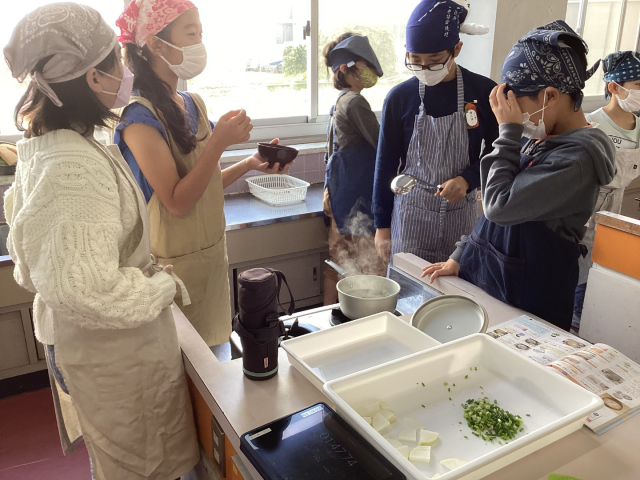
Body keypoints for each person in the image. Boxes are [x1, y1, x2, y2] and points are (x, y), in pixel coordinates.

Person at [3, 3, 198, 479]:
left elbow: (41, 265)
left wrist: (130, 271)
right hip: (115, 358)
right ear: (92, 77)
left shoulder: (50, 143)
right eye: (115, 60)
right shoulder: (72, 168)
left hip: (99, 349)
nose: (125, 70)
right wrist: (157, 288)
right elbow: (83, 289)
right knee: (144, 466)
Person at [114, 0, 289, 346]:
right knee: (185, 376)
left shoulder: (192, 103)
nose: (199, 43)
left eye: (201, 33)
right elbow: (178, 203)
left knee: (216, 369)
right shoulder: (138, 118)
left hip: (210, 262)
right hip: (172, 272)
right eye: (190, 33)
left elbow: (204, 187)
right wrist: (218, 144)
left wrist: (250, 163)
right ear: (155, 44)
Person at [422, 21, 616, 332]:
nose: (510, 115)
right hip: (497, 284)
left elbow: (500, 205)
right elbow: (491, 214)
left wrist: (508, 131)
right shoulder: (540, 135)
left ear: (550, 96)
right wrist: (462, 253)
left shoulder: (577, 160)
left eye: (514, 105)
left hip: (533, 299)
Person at [372, 0, 499, 265]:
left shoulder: (483, 92)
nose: (425, 70)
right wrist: (381, 225)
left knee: (457, 293)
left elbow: (500, 149)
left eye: (434, 62)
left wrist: (468, 179)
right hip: (411, 216)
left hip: (459, 214)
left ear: (457, 49)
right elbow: (384, 164)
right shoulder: (399, 98)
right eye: (415, 61)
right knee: (409, 291)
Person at [572, 51, 640, 332]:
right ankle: (570, 316)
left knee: (602, 267)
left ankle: (585, 317)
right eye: (638, 85)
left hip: (615, 209)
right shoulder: (591, 122)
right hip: (585, 208)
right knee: (576, 266)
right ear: (614, 87)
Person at [322, 33, 387, 304]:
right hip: (356, 202)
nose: (370, 72)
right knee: (371, 271)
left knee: (340, 267)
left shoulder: (339, 101)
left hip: (340, 197)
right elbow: (383, 146)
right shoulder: (355, 102)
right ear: (346, 68)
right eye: (365, 66)